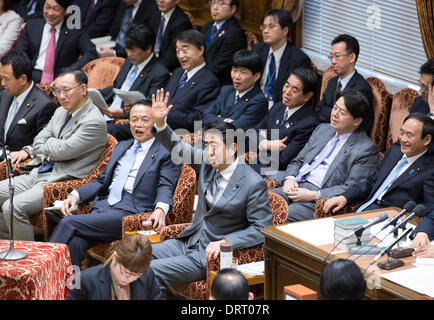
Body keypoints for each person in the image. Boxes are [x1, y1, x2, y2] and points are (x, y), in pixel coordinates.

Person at [147, 89, 273, 289]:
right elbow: (179, 149)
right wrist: (161, 123)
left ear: (233, 148)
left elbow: (261, 228)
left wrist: (226, 241)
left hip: (207, 253)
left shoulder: (252, 183)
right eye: (206, 145)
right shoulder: (207, 162)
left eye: (214, 146)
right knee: (131, 255)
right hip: (186, 242)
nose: (208, 151)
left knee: (147, 272)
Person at [50, 100, 180, 267]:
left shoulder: (166, 151)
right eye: (134, 119)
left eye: (144, 120)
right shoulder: (122, 146)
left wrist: (161, 209)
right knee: (75, 243)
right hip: (103, 207)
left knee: (68, 223)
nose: (138, 125)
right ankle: (70, 289)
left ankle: (43, 274)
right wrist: (76, 195)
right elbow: (102, 180)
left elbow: (166, 184)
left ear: (156, 122)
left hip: (131, 212)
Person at [0, 69, 107, 241]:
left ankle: (29, 259)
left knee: (12, 207)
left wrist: (48, 146)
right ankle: (9, 245)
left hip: (61, 182)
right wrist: (50, 148)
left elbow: (62, 151)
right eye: (58, 91)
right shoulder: (60, 111)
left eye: (67, 90)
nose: (61, 96)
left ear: (83, 89)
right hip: (39, 172)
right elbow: (39, 140)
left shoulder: (94, 121)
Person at [268, 89, 379, 222]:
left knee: (278, 214)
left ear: (357, 121)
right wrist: (290, 179)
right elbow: (298, 160)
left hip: (318, 199)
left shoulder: (365, 149)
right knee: (256, 202)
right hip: (296, 185)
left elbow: (352, 187)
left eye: (342, 112)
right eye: (335, 108)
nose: (335, 114)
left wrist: (315, 195)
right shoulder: (323, 129)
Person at [323, 113, 434, 215]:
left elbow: (432, 206)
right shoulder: (395, 151)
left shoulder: (433, 170)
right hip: (363, 210)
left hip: (388, 221)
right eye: (402, 133)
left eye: (409, 135)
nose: (403, 139)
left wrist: (406, 217)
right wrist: (345, 197)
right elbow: (371, 182)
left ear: (427, 140)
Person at [99, 24, 170, 141]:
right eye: (127, 49)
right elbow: (116, 88)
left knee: (102, 129)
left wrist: (122, 113)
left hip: (131, 121)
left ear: (148, 48)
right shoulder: (129, 61)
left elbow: (150, 107)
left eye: (133, 50)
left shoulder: (160, 73)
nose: (128, 54)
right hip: (108, 109)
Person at [252, 67, 319, 174]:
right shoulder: (278, 107)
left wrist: (257, 151)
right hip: (255, 162)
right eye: (287, 85)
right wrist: (266, 144)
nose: (287, 92)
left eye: (294, 90)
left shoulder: (309, 123)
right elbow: (253, 134)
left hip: (273, 171)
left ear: (307, 96)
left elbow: (283, 160)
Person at [17, 0, 98, 84]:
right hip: (32, 76)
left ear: (66, 11)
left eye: (56, 9)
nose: (50, 13)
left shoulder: (75, 30)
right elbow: (20, 54)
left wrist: (70, 71)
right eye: (47, 7)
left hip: (61, 79)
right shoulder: (32, 26)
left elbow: (91, 54)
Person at [68, 234, 163, 300]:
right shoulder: (84, 279)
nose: (128, 279)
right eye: (124, 272)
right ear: (115, 257)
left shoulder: (147, 275)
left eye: (136, 275)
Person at [252, 9, 312, 108]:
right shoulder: (258, 49)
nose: (265, 31)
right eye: (264, 27)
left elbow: (298, 97)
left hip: (278, 109)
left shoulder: (299, 60)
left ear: (285, 30)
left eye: (271, 27)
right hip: (254, 104)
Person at [0, 50, 56, 155]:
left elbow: (46, 141)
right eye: (1, 78)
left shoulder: (44, 105)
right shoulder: (4, 95)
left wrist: (27, 151)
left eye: (6, 79)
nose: (2, 83)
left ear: (23, 79)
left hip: (16, 162)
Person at [315, 34, 373, 134]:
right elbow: (319, 109)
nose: (333, 61)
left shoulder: (361, 88)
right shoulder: (332, 82)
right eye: (331, 56)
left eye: (337, 56)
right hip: (324, 133)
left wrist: (328, 111)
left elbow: (355, 124)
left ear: (351, 57)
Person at [164, 29, 220, 132]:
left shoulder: (210, 81)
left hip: (180, 135)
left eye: (185, 51)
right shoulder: (177, 72)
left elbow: (199, 118)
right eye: (177, 51)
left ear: (200, 50)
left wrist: (166, 115)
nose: (180, 56)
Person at [202, 49, 267, 131]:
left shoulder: (259, 101)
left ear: (256, 76)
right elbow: (205, 117)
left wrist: (218, 118)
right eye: (234, 70)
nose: (236, 76)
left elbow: (236, 129)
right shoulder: (226, 90)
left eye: (243, 72)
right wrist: (226, 120)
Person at [410, 57, 434, 166]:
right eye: (420, 84)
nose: (420, 90)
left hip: (430, 169)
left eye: (425, 87)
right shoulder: (419, 102)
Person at [201, 0, 246, 85]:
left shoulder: (235, 34)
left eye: (221, 3)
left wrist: (196, 77)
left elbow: (218, 67)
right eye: (213, 2)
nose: (215, 7)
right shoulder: (208, 26)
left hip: (217, 84)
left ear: (232, 9)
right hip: (202, 77)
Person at [149, 0, 193, 72]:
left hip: (169, 69)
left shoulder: (182, 22)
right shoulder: (155, 14)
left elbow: (174, 54)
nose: (161, 1)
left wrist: (154, 70)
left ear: (177, 1)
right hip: (153, 62)